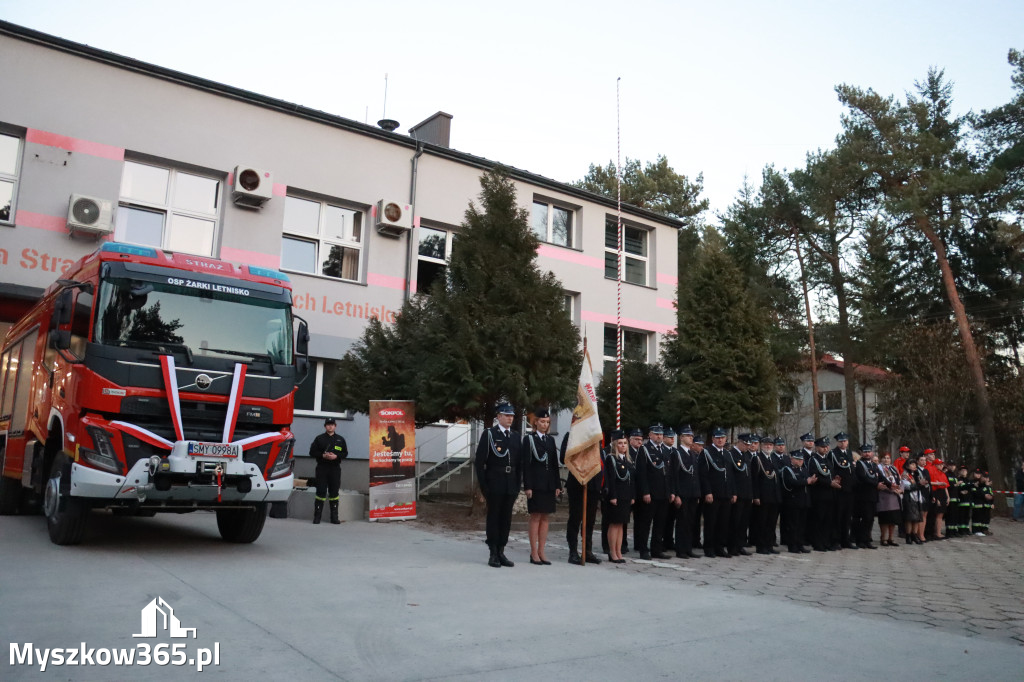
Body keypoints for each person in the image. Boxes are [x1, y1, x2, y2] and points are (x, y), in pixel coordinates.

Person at [474, 403, 523, 568]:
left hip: (511, 484)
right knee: (494, 517)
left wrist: (517, 484)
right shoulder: (489, 434)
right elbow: (480, 463)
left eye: (512, 416)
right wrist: (484, 486)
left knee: (506, 518)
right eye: (506, 415)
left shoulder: (515, 436)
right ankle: (493, 552)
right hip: (495, 481)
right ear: (499, 417)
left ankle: (502, 550)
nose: (510, 418)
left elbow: (520, 463)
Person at [522, 408, 561, 565]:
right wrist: (528, 486)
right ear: (535, 423)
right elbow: (526, 464)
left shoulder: (550, 441)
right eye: (542, 422)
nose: (545, 424)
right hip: (536, 483)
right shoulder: (529, 440)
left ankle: (542, 551)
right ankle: (533, 552)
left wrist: (557, 484)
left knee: (546, 517)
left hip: (548, 484)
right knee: (536, 516)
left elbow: (554, 464)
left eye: (547, 422)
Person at [562, 430, 602, 565]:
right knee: (575, 517)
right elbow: (564, 456)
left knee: (590, 519)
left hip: (593, 483)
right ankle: (573, 550)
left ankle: (587, 550)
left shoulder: (596, 437)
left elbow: (598, 459)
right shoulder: (572, 435)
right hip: (577, 482)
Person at [634, 424, 673, 560]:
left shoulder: (665, 450)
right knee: (645, 523)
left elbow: (669, 474)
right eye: (656, 434)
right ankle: (643, 549)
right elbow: (641, 474)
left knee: (660, 523)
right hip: (651, 493)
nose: (659, 436)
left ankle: (657, 549)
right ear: (650, 435)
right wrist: (645, 492)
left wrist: (670, 492)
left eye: (661, 434)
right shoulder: (644, 450)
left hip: (663, 493)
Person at [700, 427, 735, 558]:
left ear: (725, 439)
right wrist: (707, 492)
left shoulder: (727, 454)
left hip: (726, 493)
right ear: (713, 439)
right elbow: (703, 474)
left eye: (722, 437)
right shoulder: (707, 452)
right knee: (711, 522)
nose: (720, 440)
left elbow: (731, 475)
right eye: (717, 437)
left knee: (723, 522)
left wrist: (733, 492)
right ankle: (709, 547)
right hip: (713, 494)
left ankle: (719, 547)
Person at [668, 424, 701, 559]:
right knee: (682, 522)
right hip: (683, 493)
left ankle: (688, 548)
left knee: (690, 522)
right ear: (681, 438)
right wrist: (676, 494)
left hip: (692, 493)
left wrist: (698, 493)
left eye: (692, 436)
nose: (691, 438)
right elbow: (673, 475)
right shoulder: (676, 453)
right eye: (688, 436)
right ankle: (681, 549)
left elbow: (696, 475)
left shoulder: (692, 453)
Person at [602, 430, 635, 564]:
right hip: (616, 496)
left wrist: (632, 495)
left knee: (621, 525)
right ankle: (612, 551)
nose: (623, 446)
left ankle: (619, 550)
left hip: (626, 496)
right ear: (615, 445)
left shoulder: (628, 460)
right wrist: (612, 496)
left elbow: (631, 480)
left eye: (625, 443)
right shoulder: (611, 458)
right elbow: (610, 479)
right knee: (614, 524)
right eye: (620, 443)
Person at [309, 417, 348, 525]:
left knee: (334, 492)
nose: (330, 426)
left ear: (335, 426)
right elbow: (312, 452)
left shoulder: (340, 439)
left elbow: (345, 453)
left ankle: (334, 518)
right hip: (322, 468)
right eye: (328, 424)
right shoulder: (319, 438)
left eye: (332, 424)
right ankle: (317, 517)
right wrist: (322, 455)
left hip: (335, 468)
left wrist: (336, 456)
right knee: (320, 491)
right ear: (325, 426)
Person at [750, 433, 781, 555]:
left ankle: (769, 545)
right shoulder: (757, 459)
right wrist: (756, 496)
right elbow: (755, 479)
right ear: (761, 446)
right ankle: (761, 546)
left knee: (771, 523)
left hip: (774, 496)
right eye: (766, 444)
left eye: (770, 444)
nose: (768, 446)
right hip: (763, 496)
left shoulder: (773, 458)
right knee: (762, 522)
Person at [780, 449, 814, 553]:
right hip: (793, 501)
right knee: (793, 525)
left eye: (801, 459)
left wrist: (810, 481)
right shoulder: (787, 470)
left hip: (804, 501)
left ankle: (800, 544)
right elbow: (791, 483)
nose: (800, 461)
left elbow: (807, 481)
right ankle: (792, 545)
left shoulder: (803, 470)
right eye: (798, 459)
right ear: (792, 459)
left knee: (801, 525)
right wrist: (806, 481)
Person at [808, 437, 837, 551]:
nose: (825, 449)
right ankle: (818, 543)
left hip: (829, 494)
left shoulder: (827, 460)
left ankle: (826, 541)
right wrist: (830, 483)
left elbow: (831, 473)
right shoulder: (813, 460)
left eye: (826, 446)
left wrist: (836, 480)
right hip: (819, 494)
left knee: (828, 519)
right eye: (823, 447)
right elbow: (815, 477)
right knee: (819, 519)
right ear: (817, 447)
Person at [851, 443, 882, 549]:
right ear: (861, 453)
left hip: (873, 496)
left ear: (872, 453)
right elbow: (863, 478)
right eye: (865, 452)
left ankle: (867, 540)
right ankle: (861, 540)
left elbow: (880, 476)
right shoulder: (859, 464)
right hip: (863, 496)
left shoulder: (873, 465)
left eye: (869, 452)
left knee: (870, 519)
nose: (867, 454)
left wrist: (890, 484)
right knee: (864, 519)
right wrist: (876, 484)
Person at [829, 432, 856, 550]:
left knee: (847, 516)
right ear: (837, 442)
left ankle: (846, 539)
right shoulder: (833, 453)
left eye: (845, 441)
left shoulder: (849, 453)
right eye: (841, 441)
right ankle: (836, 540)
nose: (843, 443)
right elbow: (831, 468)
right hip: (839, 488)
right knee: (838, 516)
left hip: (849, 489)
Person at [876, 452, 903, 547]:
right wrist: (891, 489)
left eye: (888, 458)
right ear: (881, 459)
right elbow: (880, 481)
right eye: (884, 458)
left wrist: (900, 489)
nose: (886, 460)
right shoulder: (878, 468)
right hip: (884, 495)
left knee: (893, 518)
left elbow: (899, 480)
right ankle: (883, 538)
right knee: (885, 519)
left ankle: (891, 538)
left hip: (894, 496)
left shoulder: (893, 468)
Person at [901, 459, 926, 544]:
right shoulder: (905, 474)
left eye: (915, 464)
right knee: (909, 518)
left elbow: (923, 484)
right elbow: (907, 487)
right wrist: (917, 485)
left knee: (917, 518)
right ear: (907, 466)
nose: (914, 466)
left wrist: (918, 484)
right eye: (912, 464)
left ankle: (914, 535)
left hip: (917, 497)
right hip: (909, 498)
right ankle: (908, 535)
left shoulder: (917, 474)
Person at [971, 469, 994, 536]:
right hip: (978, 504)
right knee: (977, 518)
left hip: (986, 505)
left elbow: (991, 494)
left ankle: (984, 529)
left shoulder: (987, 485)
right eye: (984, 477)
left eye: (987, 477)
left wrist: (992, 502)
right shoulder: (977, 483)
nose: (986, 479)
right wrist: (985, 493)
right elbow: (978, 493)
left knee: (986, 518)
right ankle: (976, 530)